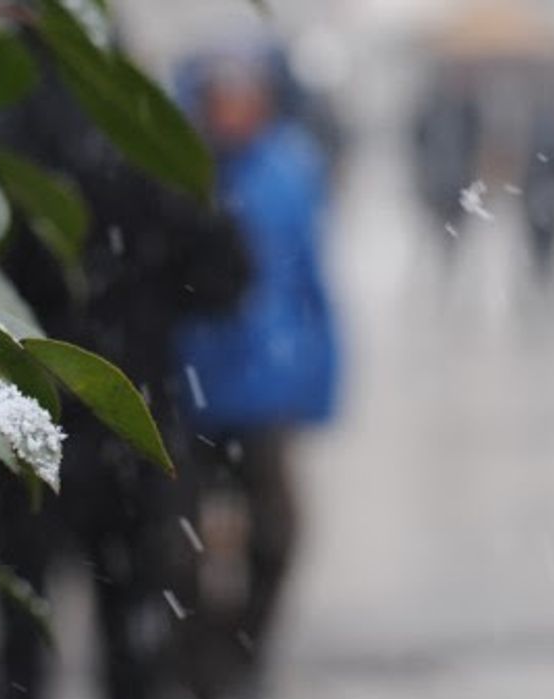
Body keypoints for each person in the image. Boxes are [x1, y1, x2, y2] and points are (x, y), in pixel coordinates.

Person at [0, 39, 250, 699]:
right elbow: (227, 274)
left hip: (18, 426)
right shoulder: (145, 143)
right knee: (134, 636)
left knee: (20, 636)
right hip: (130, 422)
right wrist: (148, 297)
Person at [174, 48, 340, 699]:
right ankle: (199, 655)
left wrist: (320, 379)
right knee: (178, 544)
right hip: (186, 389)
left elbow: (311, 280)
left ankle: (244, 648)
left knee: (277, 531)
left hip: (263, 388)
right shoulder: (178, 167)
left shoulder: (290, 169)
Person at [412, 66, 483, 260]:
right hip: (440, 181)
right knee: (439, 228)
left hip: (456, 181)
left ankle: (449, 254)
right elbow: (419, 141)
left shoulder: (466, 110)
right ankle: (443, 255)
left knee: (453, 227)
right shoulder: (433, 110)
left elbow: (473, 143)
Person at [521, 105, 554, 280]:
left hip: (543, 188)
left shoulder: (535, 129)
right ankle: (544, 270)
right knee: (544, 235)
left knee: (544, 236)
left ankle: (543, 270)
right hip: (545, 188)